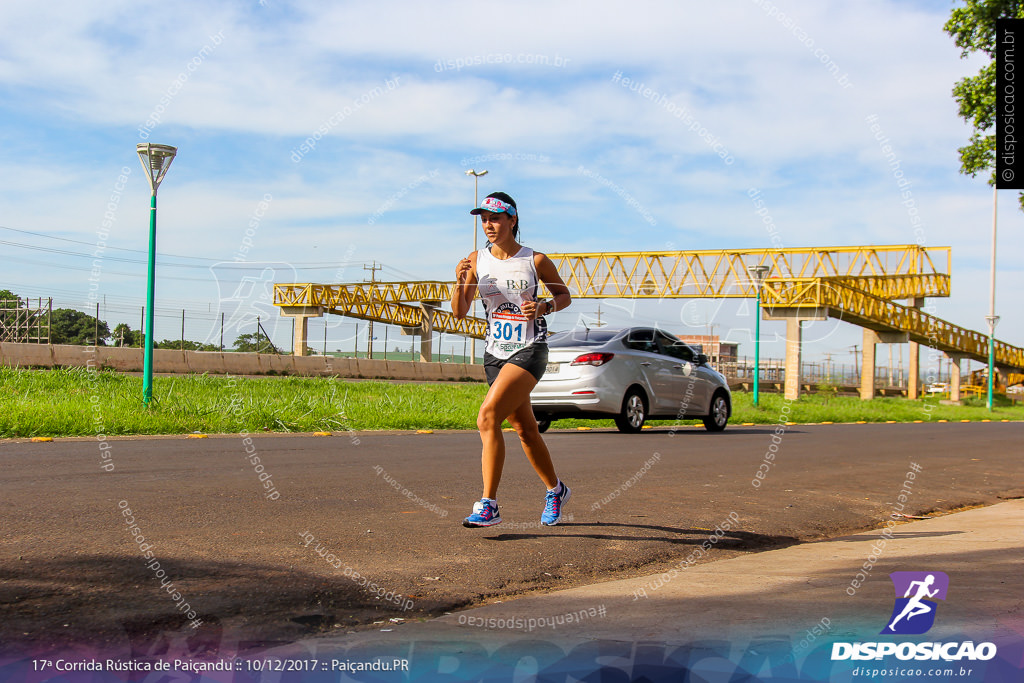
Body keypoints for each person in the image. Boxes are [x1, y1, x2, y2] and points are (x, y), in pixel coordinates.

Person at [450, 191, 572, 527]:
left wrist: (546, 305)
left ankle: (488, 503)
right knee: (525, 429)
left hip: (530, 349)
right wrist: (459, 282)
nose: (488, 225)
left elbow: (564, 295)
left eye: (495, 218)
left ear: (512, 220)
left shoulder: (535, 260)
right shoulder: (476, 260)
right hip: (495, 354)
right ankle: (555, 489)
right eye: (484, 219)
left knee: (488, 416)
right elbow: (459, 312)